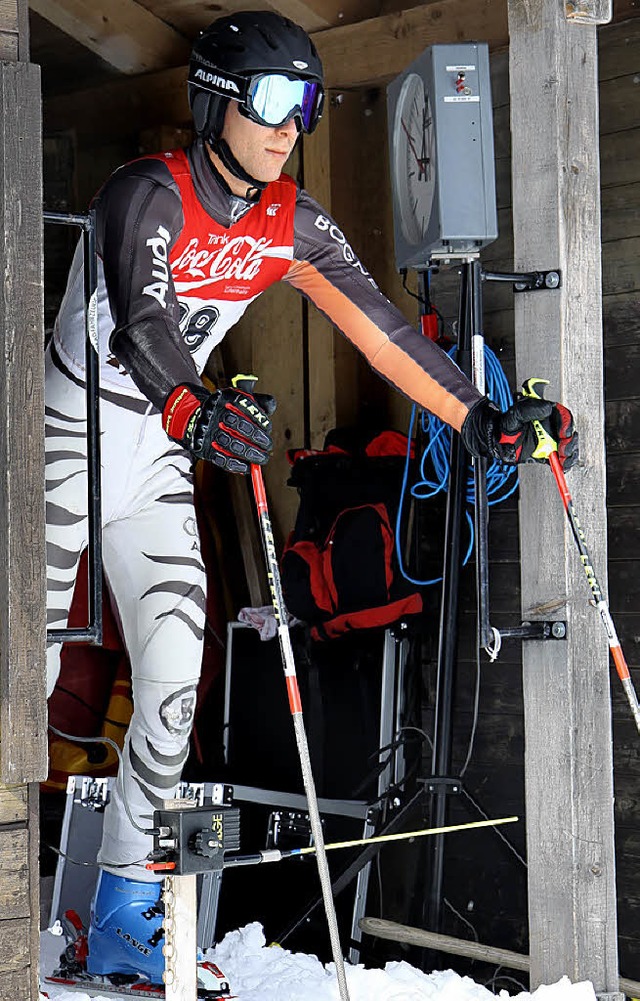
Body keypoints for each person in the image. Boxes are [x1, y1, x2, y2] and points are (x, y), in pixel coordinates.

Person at [45, 9, 577, 986]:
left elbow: (383, 336)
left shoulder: (291, 221)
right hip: (62, 451)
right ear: (215, 100)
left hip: (158, 461)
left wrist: (477, 419)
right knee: (25, 678)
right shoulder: (145, 193)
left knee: (171, 683)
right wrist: (193, 404)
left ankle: (115, 911)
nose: (294, 124)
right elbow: (140, 318)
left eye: (312, 102)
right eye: (275, 99)